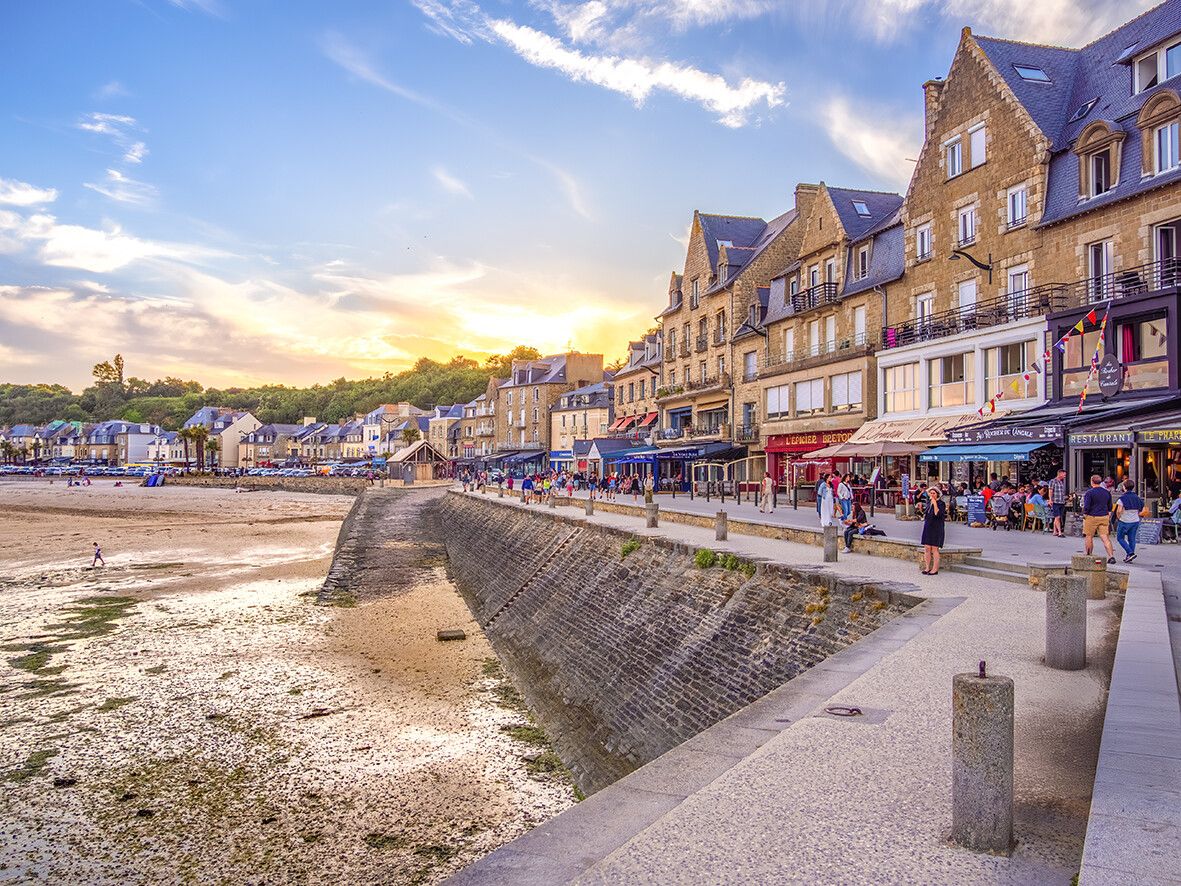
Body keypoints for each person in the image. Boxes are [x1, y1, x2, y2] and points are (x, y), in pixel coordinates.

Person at [1081, 474, 1116, 563]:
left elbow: (1087, 506)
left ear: (1092, 482)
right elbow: (1110, 506)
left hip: (1091, 516)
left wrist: (1084, 514)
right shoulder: (1107, 492)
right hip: (1104, 516)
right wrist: (1107, 514)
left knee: (1089, 536)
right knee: (1105, 537)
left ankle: (1089, 555)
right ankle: (1111, 556)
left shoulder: (1089, 493)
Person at [1114, 480, 1144, 563]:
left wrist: (1118, 517)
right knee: (1132, 539)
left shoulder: (1122, 498)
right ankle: (1129, 557)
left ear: (1124, 487)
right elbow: (1141, 509)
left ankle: (1130, 553)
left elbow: (1119, 510)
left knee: (1120, 538)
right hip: (1135, 521)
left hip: (1124, 520)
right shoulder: (1137, 498)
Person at [920, 487, 947, 575]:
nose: (932, 495)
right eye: (931, 493)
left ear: (937, 494)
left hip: (937, 527)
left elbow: (937, 513)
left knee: (935, 548)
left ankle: (935, 569)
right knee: (927, 548)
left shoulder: (941, 503)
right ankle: (927, 567)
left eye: (934, 493)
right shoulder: (928, 503)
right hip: (928, 526)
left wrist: (935, 503)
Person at [1048, 469, 1067, 537]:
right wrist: (1050, 500)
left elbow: (1061, 492)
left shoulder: (1061, 482)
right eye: (1064, 475)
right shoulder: (1053, 481)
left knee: (1057, 517)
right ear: (1060, 474)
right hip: (1055, 501)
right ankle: (1059, 532)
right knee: (1057, 517)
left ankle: (1054, 531)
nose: (1065, 476)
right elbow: (1050, 490)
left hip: (1061, 501)